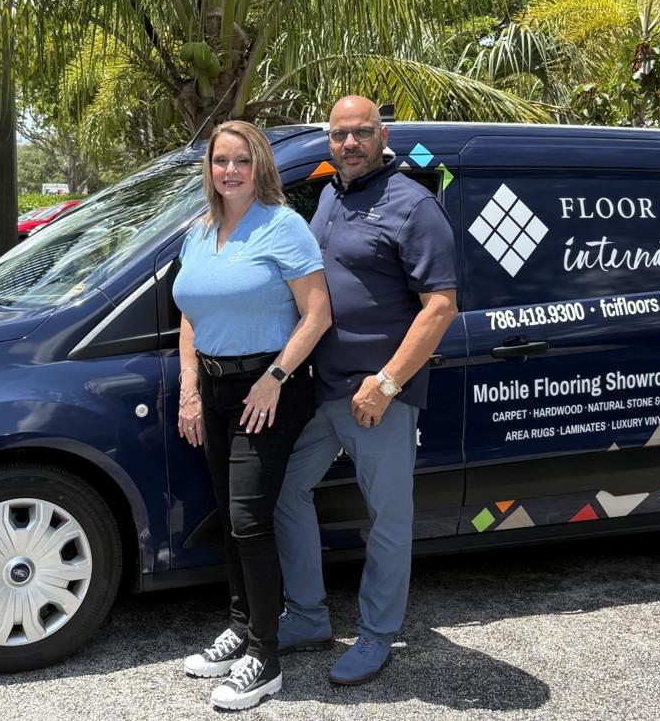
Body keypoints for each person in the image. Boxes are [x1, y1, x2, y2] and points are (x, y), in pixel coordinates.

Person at [274, 95, 458, 685]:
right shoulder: (331, 195)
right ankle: (306, 616)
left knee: (388, 519)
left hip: (377, 397)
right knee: (283, 492)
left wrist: (386, 382)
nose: (348, 144)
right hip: (323, 390)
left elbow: (440, 307)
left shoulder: (414, 205)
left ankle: (378, 635)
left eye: (360, 133)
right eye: (338, 134)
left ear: (382, 136)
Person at [172, 120, 331, 711]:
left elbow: (317, 315)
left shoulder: (284, 227)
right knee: (230, 513)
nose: (230, 171)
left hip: (269, 389)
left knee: (248, 520)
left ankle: (265, 658)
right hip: (212, 390)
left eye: (242, 161)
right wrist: (190, 388)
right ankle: (241, 629)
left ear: (259, 167)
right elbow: (191, 314)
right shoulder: (200, 231)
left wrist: (274, 379)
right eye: (221, 161)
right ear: (209, 168)